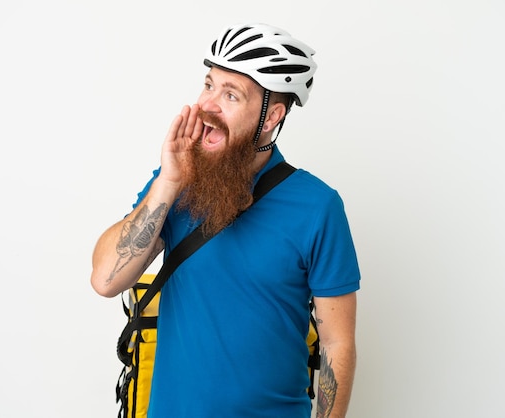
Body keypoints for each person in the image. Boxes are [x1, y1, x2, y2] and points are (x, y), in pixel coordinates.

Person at [91, 23, 361, 418]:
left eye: (231, 94)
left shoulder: (318, 206)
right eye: (208, 84)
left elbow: (338, 344)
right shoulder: (178, 180)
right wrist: (168, 182)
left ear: (272, 116)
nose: (207, 105)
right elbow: (105, 280)